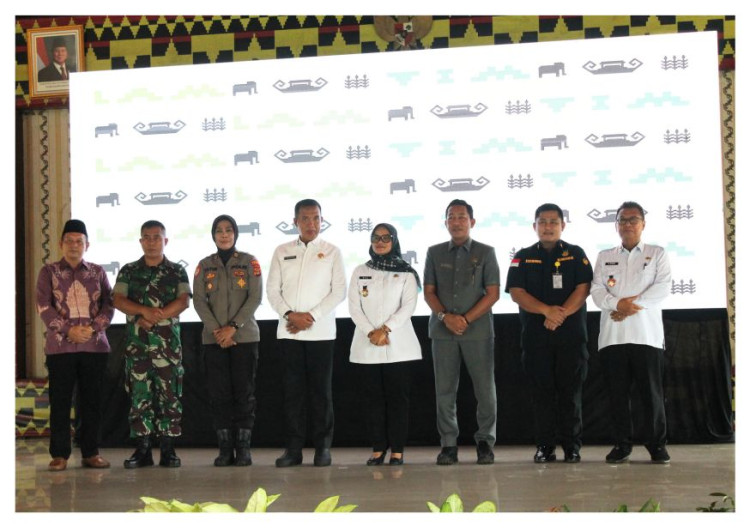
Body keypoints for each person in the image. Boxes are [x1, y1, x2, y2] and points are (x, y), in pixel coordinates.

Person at [506, 203, 593, 463]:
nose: (548, 227)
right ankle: (544, 446)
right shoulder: (522, 257)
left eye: (553, 222)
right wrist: (547, 311)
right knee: (541, 395)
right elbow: (516, 293)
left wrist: (560, 315)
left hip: (571, 337)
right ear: (534, 226)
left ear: (562, 225)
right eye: (542, 222)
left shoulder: (575, 254)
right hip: (536, 338)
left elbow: (583, 288)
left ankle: (572, 447)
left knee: (570, 394)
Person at [266, 199, 347, 467]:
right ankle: (293, 449)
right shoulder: (282, 251)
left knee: (321, 393)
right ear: (295, 222)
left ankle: (323, 448)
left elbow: (339, 291)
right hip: (289, 333)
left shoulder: (332, 251)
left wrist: (310, 317)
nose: (311, 224)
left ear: (322, 221)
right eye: (305, 218)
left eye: (316, 218)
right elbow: (272, 291)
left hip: (320, 333)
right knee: (293, 394)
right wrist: (291, 315)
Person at [590, 201, 672, 464]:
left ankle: (657, 445)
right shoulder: (605, 256)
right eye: (622, 220)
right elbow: (597, 291)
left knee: (651, 396)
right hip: (613, 338)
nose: (627, 224)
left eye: (633, 219)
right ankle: (622, 445)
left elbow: (662, 287)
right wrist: (618, 305)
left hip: (646, 336)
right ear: (616, 225)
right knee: (617, 397)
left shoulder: (656, 253)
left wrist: (628, 307)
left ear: (643, 224)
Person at [423, 199, 500, 465]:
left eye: (462, 217)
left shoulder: (486, 252)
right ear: (445, 222)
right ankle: (448, 444)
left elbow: (493, 294)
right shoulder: (434, 253)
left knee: (484, 389)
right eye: (451, 217)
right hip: (442, 331)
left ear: (472, 222)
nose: (456, 222)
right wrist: (445, 317)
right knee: (444, 390)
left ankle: (485, 442)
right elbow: (429, 292)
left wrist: (465, 319)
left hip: (477, 331)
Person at [35, 219, 114, 471]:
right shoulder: (48, 272)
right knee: (60, 401)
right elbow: (43, 306)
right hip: (61, 348)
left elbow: (109, 305)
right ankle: (59, 454)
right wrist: (70, 330)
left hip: (94, 347)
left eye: (79, 241)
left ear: (87, 245)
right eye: (69, 241)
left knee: (92, 401)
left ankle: (91, 452)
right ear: (61, 244)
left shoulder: (98, 272)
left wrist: (92, 328)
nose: (74, 245)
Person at [113, 220, 191, 468]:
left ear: (165, 241)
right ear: (140, 241)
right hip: (138, 348)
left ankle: (168, 449)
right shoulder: (128, 271)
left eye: (156, 237)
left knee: (170, 397)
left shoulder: (177, 271)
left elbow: (183, 301)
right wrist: (142, 311)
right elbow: (118, 299)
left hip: (168, 348)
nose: (151, 242)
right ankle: (143, 450)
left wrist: (157, 315)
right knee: (140, 398)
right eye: (146, 237)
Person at [348, 223, 422, 466]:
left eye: (385, 238)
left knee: (398, 400)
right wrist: (372, 332)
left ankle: (397, 450)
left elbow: (408, 306)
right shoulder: (360, 271)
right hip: (367, 343)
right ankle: (378, 448)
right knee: (373, 400)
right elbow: (354, 307)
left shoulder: (406, 272)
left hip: (399, 346)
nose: (380, 242)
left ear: (394, 241)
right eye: (375, 237)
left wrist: (385, 329)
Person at [193, 215, 262, 467]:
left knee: (244, 394)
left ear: (235, 234)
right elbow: (199, 301)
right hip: (214, 340)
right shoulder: (204, 265)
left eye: (228, 230)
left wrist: (232, 328)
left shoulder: (249, 262)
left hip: (244, 337)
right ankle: (224, 449)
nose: (224, 234)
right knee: (219, 395)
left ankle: (243, 449)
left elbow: (255, 297)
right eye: (219, 230)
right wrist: (218, 331)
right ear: (213, 235)